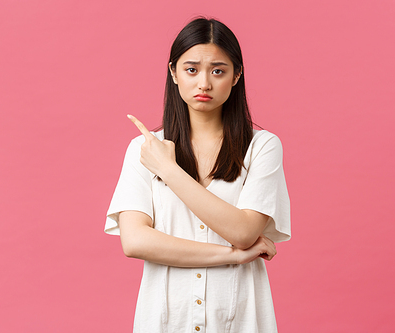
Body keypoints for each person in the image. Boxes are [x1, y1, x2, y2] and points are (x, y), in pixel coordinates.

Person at [104, 17, 291, 333]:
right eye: (192, 69)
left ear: (236, 76)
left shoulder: (262, 146)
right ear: (174, 72)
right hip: (165, 319)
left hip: (239, 318)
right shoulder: (143, 148)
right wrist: (232, 255)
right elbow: (135, 241)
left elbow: (245, 232)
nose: (204, 83)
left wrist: (168, 170)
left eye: (218, 70)